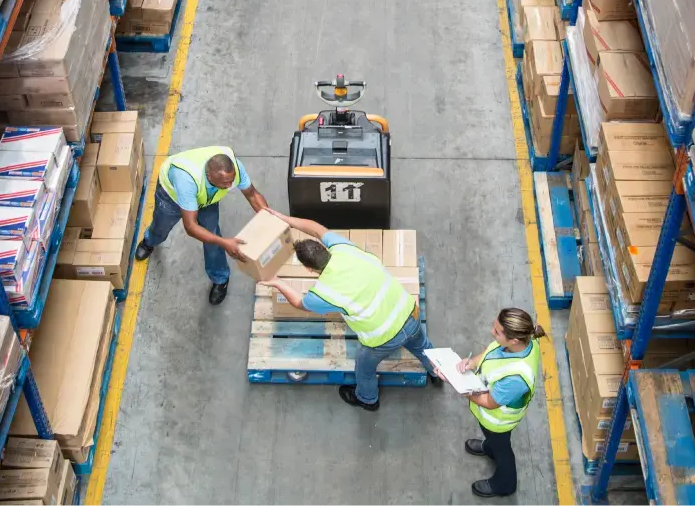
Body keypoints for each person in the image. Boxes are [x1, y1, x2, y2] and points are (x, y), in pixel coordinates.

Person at [259, 210, 440, 410]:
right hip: (410, 313)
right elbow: (316, 228)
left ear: (309, 270)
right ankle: (437, 373)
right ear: (324, 248)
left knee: (364, 367)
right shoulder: (343, 247)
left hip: (385, 338)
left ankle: (367, 399)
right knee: (423, 346)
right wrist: (285, 219)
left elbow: (298, 303)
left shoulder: (323, 293)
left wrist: (276, 281)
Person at [134, 146, 268, 305]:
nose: (230, 185)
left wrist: (271, 219)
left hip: (206, 197)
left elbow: (252, 194)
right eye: (225, 183)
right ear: (209, 175)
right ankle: (150, 241)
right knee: (161, 225)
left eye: (231, 181)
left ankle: (220, 279)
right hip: (173, 197)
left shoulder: (235, 169)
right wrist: (226, 243)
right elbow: (190, 227)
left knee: (212, 235)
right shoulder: (187, 180)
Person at [446, 308, 545, 499]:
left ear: (514, 340)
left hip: (497, 422)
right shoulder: (521, 342)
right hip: (489, 420)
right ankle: (489, 447)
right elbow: (489, 352)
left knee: (503, 451)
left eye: (497, 331)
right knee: (493, 442)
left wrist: (459, 386)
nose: (492, 332)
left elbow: (490, 402)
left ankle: (505, 484)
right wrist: (470, 363)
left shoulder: (516, 378)